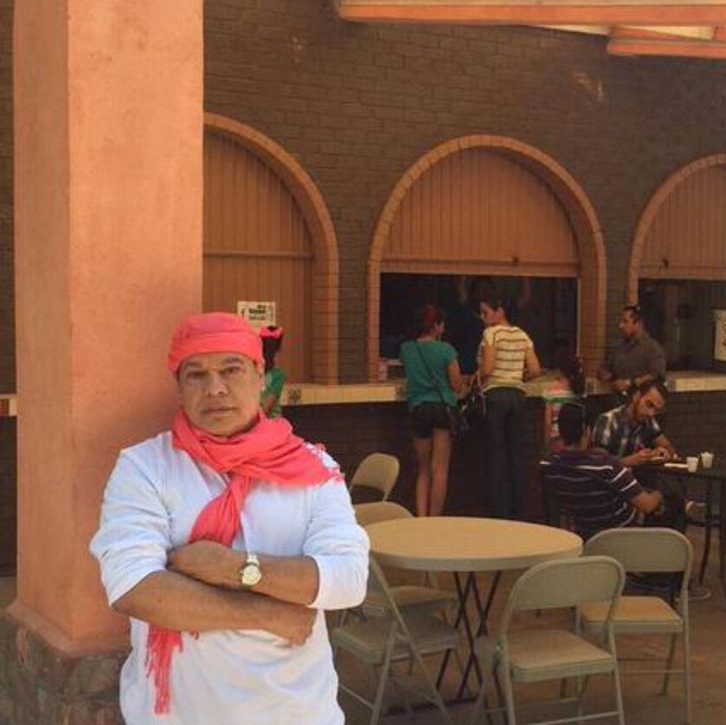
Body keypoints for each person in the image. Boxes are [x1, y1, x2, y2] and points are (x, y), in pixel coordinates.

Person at [89, 312, 369, 725]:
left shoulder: (313, 469)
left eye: (231, 369)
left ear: (260, 376)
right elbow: (135, 588)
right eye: (196, 375)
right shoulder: (145, 467)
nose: (215, 388)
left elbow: (347, 579)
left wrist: (233, 568)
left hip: (295, 712)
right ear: (179, 387)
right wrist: (268, 614)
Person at [539, 401, 664, 540]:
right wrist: (658, 495)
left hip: (583, 532)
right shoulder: (606, 466)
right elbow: (647, 505)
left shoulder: (548, 465)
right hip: (621, 532)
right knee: (666, 506)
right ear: (586, 430)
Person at [398, 303, 464, 516]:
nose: (444, 328)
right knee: (440, 469)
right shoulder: (446, 350)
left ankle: (421, 518)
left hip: (418, 408)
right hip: (442, 408)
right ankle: (435, 519)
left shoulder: (407, 348)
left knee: (423, 469)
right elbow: (456, 385)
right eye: (442, 324)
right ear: (435, 326)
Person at [478, 296, 541, 518]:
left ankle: (499, 511)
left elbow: (488, 369)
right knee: (516, 454)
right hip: (517, 395)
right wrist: (518, 378)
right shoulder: (522, 335)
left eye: (485, 312)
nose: (482, 318)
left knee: (497, 455)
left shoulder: (491, 333)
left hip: (496, 395)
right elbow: (535, 369)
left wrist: (476, 377)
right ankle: (519, 510)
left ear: (499, 311)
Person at [591, 378, 678, 468]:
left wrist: (662, 453)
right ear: (636, 396)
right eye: (649, 405)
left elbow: (669, 448)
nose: (651, 413)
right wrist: (629, 461)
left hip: (636, 476)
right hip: (612, 476)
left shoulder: (649, 421)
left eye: (656, 410)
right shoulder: (609, 420)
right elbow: (598, 464)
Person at [599, 304, 667, 395]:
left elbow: (656, 376)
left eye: (625, 321)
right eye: (620, 321)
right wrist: (605, 375)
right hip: (617, 399)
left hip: (641, 398)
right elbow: (605, 369)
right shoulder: (618, 348)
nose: (620, 326)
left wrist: (629, 383)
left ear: (638, 324)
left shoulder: (652, 348)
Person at [541, 346, 585, 452]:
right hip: (576, 437)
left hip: (556, 437)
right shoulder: (579, 389)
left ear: (558, 369)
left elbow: (547, 421)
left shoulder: (550, 391)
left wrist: (546, 443)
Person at [259, 325, 286, 418]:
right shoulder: (278, 376)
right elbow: (265, 409)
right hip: (272, 423)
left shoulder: (250, 371)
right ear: (278, 349)